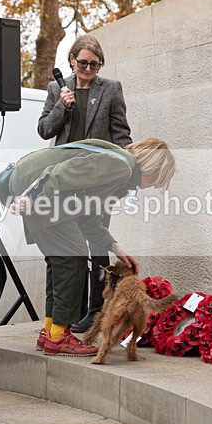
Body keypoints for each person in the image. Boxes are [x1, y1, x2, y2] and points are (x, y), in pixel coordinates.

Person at [10, 137, 175, 356]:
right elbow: (64, 172)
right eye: (156, 179)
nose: (152, 185)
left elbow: (87, 217)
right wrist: (36, 198)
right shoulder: (121, 167)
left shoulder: (119, 168)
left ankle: (50, 330)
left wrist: (115, 248)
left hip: (30, 182)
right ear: (152, 166)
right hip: (36, 187)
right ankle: (58, 337)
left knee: (60, 260)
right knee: (73, 258)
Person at [37, 34, 133, 333]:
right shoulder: (57, 88)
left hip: (97, 180)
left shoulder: (111, 89)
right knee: (66, 246)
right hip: (63, 180)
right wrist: (62, 107)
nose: (88, 69)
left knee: (96, 240)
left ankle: (96, 308)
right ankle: (64, 313)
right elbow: (44, 130)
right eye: (83, 63)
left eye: (94, 64)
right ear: (71, 60)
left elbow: (121, 135)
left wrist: (127, 173)